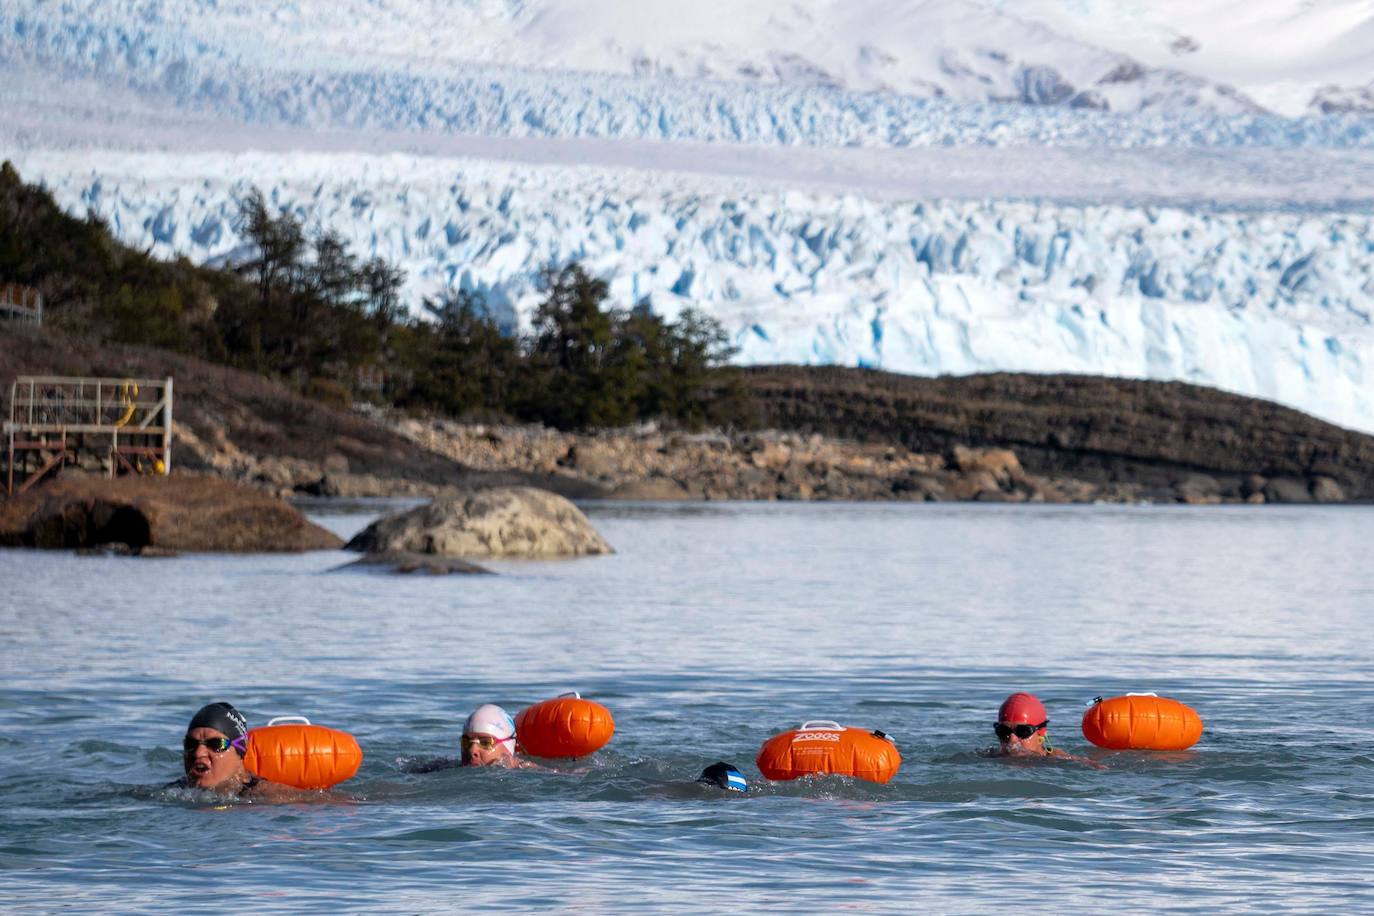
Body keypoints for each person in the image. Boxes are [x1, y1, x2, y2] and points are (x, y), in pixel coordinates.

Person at [178, 702, 301, 799]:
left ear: (240, 749)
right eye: (191, 744)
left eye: (216, 744)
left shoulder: (271, 797)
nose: (198, 753)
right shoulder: (174, 792)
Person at [992, 692, 1098, 765]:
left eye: (1022, 731)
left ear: (1041, 733)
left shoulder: (1060, 760)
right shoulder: (990, 757)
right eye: (1003, 731)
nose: (1012, 739)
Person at [460, 703, 523, 768]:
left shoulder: (524, 770)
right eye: (466, 742)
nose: (472, 750)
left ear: (508, 748)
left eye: (485, 742)